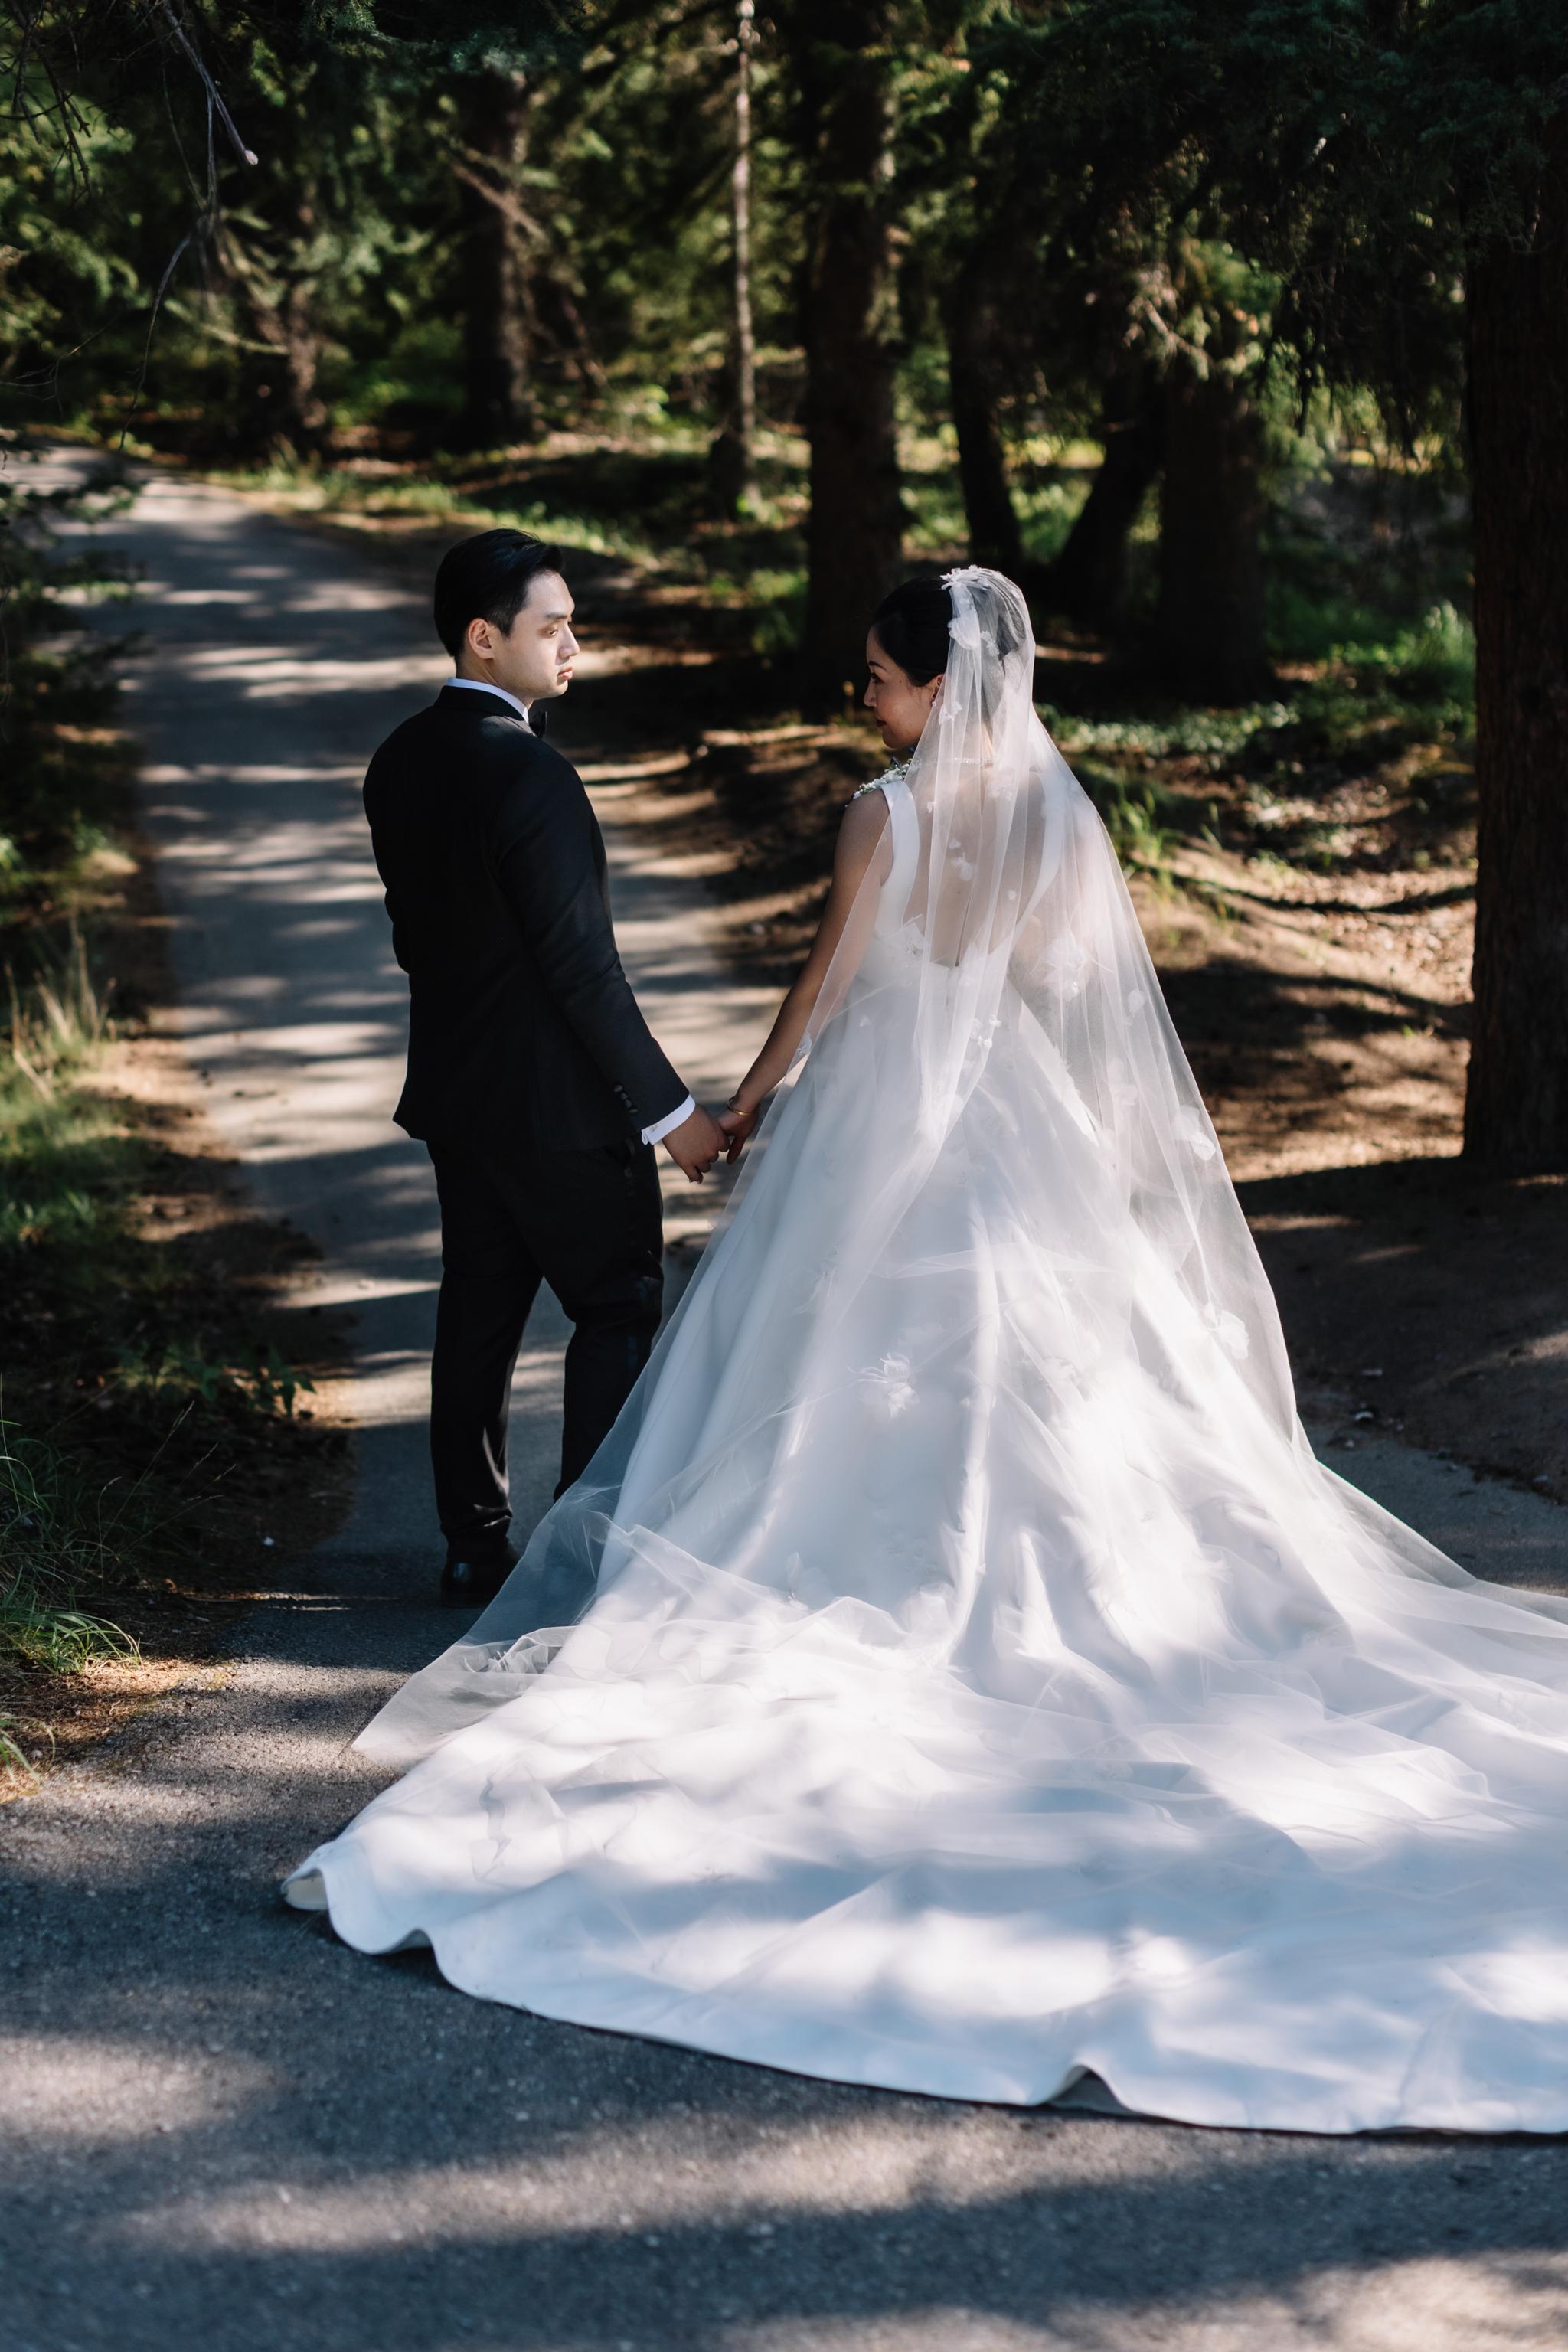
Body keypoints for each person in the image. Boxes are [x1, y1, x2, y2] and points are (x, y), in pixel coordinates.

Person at [291, 567, 1568, 2135]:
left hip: (877, 1110)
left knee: (809, 1346)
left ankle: (666, 1551)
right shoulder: (1055, 814)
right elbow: (1069, 995)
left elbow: (823, 990)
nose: (866, 702)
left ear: (928, 685)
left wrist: (744, 1106)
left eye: (880, 680)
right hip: (1015, 1115)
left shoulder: (880, 815)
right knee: (1038, 1362)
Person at [362, 528, 726, 1606]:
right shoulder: (533, 772)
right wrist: (672, 1116)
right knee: (615, 1306)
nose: (574, 645)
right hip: (565, 1112)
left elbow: (418, 940)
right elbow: (584, 973)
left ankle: (473, 1547)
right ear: (485, 640)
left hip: (460, 1101)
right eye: (551, 627)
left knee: (477, 1313)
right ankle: (581, 1555)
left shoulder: (399, 759)